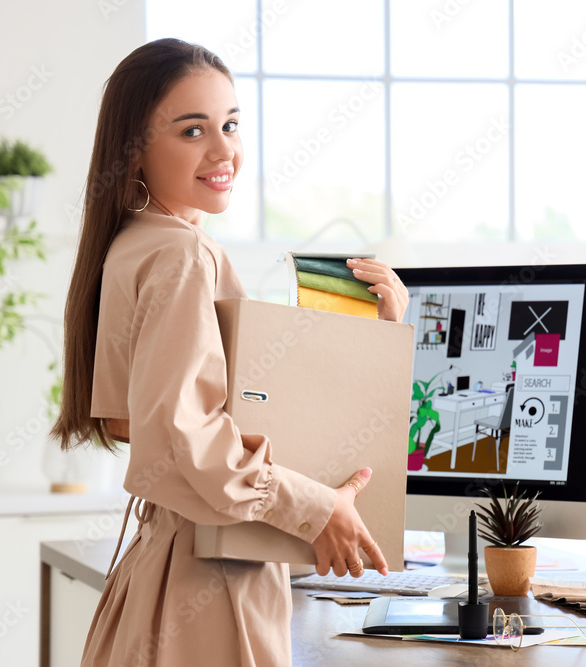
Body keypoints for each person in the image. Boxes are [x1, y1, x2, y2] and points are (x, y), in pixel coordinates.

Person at [50, 38, 409, 666]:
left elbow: (141, 419)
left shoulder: (133, 245)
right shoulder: (182, 254)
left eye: (232, 125)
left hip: (164, 568)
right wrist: (320, 507)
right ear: (134, 147)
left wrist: (370, 339)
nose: (224, 152)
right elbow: (188, 436)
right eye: (193, 131)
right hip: (210, 581)